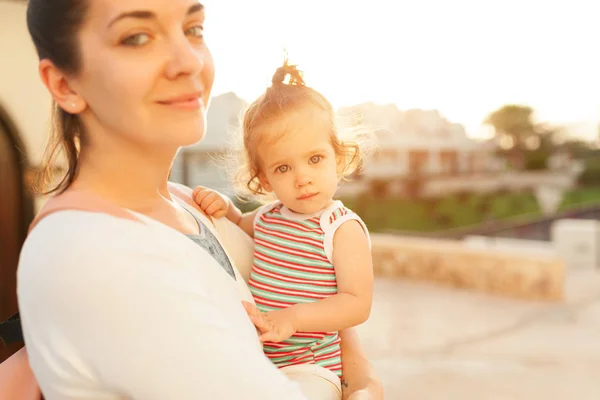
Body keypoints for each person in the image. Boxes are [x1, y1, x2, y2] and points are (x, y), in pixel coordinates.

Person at [14, 0, 382, 399]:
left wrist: (358, 375)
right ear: (65, 84)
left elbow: (330, 295)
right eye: (137, 37)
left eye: (194, 30)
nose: (187, 61)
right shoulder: (92, 253)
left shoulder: (188, 203)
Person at [193, 62, 373, 385]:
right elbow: (238, 223)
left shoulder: (341, 228)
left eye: (315, 159)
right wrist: (223, 208)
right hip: (258, 359)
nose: (302, 178)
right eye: (283, 168)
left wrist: (295, 318)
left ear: (339, 157)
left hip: (312, 365)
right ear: (264, 179)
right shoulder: (267, 216)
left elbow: (357, 304)